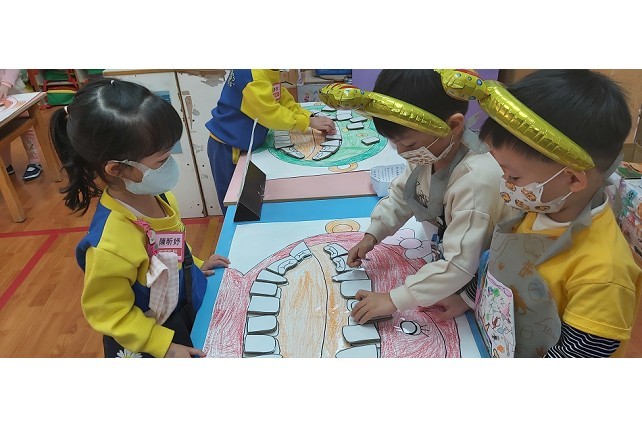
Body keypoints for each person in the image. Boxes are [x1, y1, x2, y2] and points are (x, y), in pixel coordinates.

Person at [435, 69, 642, 358]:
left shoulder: (604, 270)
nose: (504, 183)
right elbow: (502, 259)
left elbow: (585, 350)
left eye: (514, 177)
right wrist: (469, 298)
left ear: (573, 179)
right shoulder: (541, 205)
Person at [50, 78, 230, 358]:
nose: (170, 165)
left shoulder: (161, 198)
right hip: (152, 338)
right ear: (117, 169)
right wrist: (163, 346)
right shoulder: (111, 244)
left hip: (183, 311)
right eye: (162, 160)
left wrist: (194, 266)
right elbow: (110, 313)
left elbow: (172, 249)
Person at [347, 69, 516, 324]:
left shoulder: (476, 180)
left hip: (485, 278)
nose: (402, 153)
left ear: (453, 126)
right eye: (395, 143)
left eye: (409, 145)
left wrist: (393, 299)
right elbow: (404, 194)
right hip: (457, 267)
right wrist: (374, 233)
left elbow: (460, 265)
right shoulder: (431, 150)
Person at [206, 69, 336, 212]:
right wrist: (307, 122)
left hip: (243, 142)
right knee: (234, 203)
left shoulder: (267, 69)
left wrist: (309, 116)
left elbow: (280, 97)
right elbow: (271, 114)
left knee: (250, 201)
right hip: (227, 146)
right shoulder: (253, 78)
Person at [0, 69, 44, 181]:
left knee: (26, 128)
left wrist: (5, 84)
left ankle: (35, 161)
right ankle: (6, 165)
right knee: (2, 132)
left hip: (14, 94)